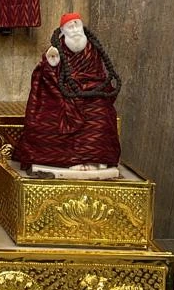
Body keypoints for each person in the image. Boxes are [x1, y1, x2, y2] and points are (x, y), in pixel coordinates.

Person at [14, 12, 121, 171]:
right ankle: (65, 160)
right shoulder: (57, 49)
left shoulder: (92, 49)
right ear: (63, 31)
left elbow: (99, 74)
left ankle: (95, 157)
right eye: (71, 27)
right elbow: (44, 74)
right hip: (62, 92)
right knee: (50, 117)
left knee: (101, 114)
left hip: (91, 94)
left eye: (78, 26)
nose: (76, 30)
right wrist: (51, 63)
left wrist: (89, 88)